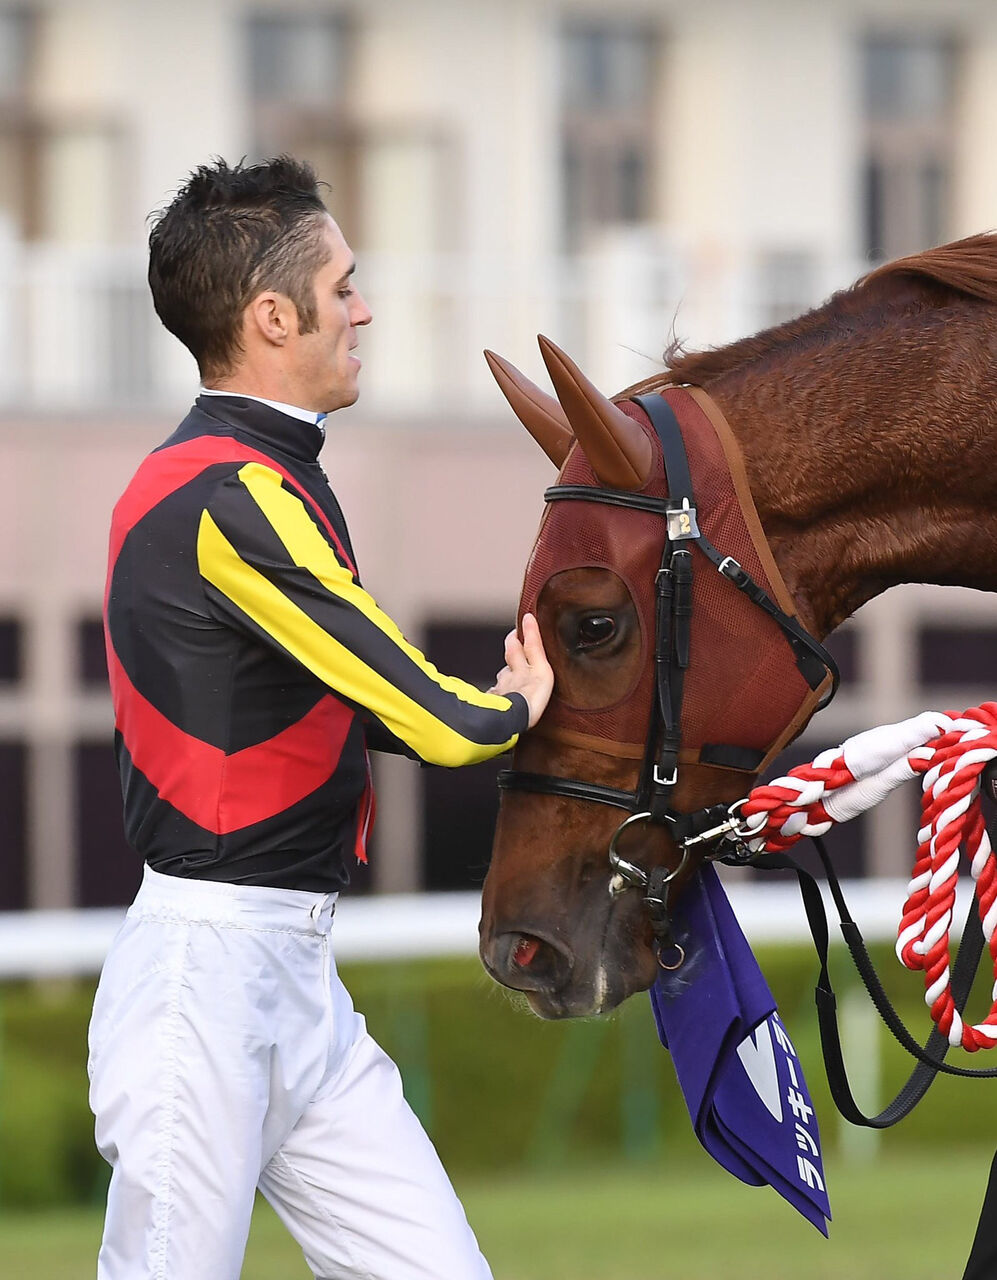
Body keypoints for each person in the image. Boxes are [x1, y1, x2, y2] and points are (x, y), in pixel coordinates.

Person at [88, 155, 553, 1280]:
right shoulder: (228, 492)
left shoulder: (256, 473)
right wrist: (520, 703)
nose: (363, 308)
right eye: (343, 286)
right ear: (270, 315)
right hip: (202, 983)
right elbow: (432, 718)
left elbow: (346, 699)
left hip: (292, 982)